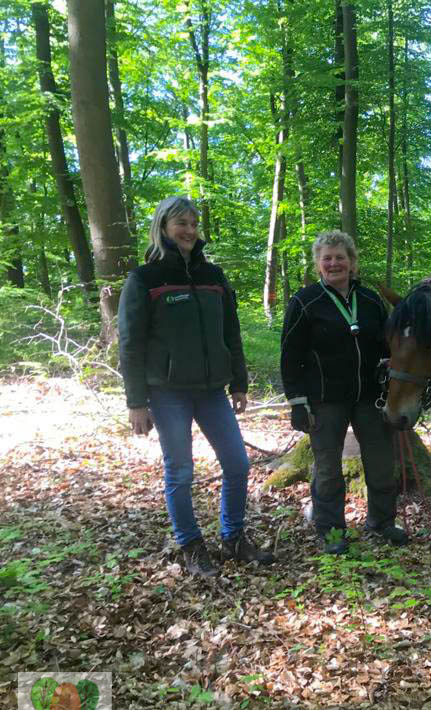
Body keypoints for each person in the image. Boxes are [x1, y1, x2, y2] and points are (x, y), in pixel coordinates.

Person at [118, 196, 275, 578]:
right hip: (166, 392)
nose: (189, 230)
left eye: (193, 223)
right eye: (180, 223)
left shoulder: (214, 277)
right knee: (180, 472)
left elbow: (230, 332)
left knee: (238, 463)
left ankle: (233, 537)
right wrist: (136, 402)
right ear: (163, 226)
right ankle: (190, 545)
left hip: (212, 391)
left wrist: (239, 383)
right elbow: (130, 343)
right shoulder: (145, 279)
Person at [279, 230, 406, 554]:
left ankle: (381, 521)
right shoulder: (304, 302)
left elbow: (388, 343)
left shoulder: (371, 300)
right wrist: (297, 402)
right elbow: (290, 356)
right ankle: (331, 531)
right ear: (318, 265)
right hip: (324, 399)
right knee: (327, 467)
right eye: (327, 259)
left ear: (352, 263)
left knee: (380, 461)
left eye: (340, 258)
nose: (334, 263)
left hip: (370, 396)